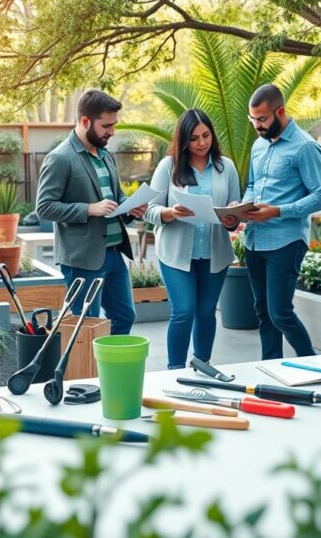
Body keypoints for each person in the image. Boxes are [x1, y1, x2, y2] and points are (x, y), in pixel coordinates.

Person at [35, 90, 147, 335]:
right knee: (85, 326)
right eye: (106, 126)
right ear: (85, 121)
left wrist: (132, 208)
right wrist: (89, 209)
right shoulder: (60, 158)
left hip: (115, 253)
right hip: (82, 259)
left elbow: (117, 197)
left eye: (114, 125)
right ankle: (86, 374)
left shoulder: (106, 155)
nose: (112, 132)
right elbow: (43, 207)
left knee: (125, 317)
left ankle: (111, 372)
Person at [145, 109, 242, 369]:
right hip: (176, 254)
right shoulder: (169, 166)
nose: (201, 143)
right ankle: (174, 370)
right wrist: (170, 212)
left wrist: (233, 214)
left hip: (215, 252)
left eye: (206, 135)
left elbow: (235, 204)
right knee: (184, 311)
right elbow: (149, 210)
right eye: (194, 138)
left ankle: (202, 365)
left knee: (206, 312)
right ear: (183, 140)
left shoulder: (227, 166)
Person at [240, 83, 321, 359]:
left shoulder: (305, 147)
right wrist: (241, 206)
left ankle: (316, 365)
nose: (257, 125)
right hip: (255, 241)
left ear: (280, 111)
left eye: (262, 119)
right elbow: (253, 185)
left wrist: (277, 211)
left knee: (280, 313)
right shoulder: (258, 146)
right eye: (252, 119)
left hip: (286, 242)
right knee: (264, 313)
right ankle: (272, 369)